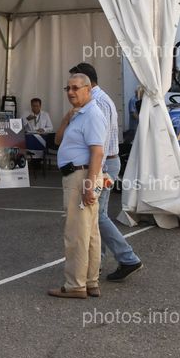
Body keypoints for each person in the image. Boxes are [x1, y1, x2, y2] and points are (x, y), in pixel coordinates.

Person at [70, 63, 143, 283]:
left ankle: (128, 257)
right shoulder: (103, 99)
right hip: (107, 163)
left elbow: (97, 145)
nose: (73, 91)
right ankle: (96, 264)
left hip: (103, 164)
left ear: (88, 84)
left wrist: (92, 177)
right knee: (96, 216)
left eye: (76, 86)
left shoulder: (97, 103)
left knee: (97, 216)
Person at [48, 73, 106, 299]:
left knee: (76, 234)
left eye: (76, 88)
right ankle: (90, 282)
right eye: (68, 88)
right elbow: (58, 140)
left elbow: (97, 152)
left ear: (88, 90)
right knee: (89, 233)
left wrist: (89, 185)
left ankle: (75, 285)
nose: (70, 92)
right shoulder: (80, 114)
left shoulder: (91, 114)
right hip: (80, 175)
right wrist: (66, 119)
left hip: (81, 176)